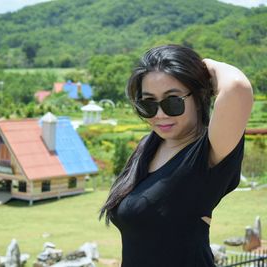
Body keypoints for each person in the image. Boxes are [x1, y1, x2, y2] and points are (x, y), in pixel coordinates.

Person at [100, 44, 253, 267]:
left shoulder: (207, 152)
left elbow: (237, 87)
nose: (160, 114)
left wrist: (205, 66)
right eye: (148, 104)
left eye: (173, 101)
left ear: (199, 95)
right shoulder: (149, 146)